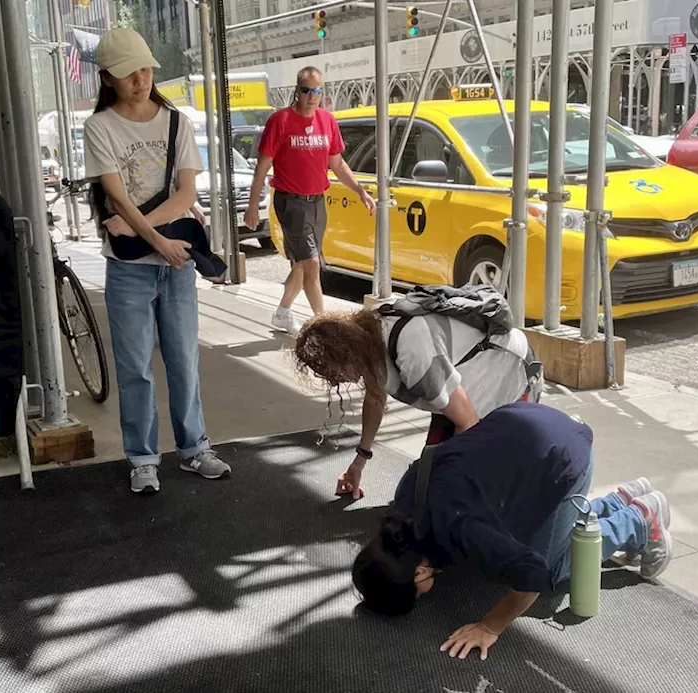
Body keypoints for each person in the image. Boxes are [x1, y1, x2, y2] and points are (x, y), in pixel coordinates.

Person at [351, 402, 673, 660]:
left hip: (562, 457)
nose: (424, 595)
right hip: (531, 423)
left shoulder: (459, 528)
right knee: (528, 537)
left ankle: (638, 522)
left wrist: (489, 627)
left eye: (417, 593)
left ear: (419, 572)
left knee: (549, 569)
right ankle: (617, 501)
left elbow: (530, 574)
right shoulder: (403, 508)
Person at [85, 27, 230, 494]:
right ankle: (143, 458)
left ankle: (194, 448)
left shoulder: (175, 121)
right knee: (134, 367)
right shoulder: (100, 126)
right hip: (130, 265)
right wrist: (154, 241)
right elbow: (116, 197)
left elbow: (186, 192)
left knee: (185, 359)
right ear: (108, 78)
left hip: (174, 259)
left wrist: (147, 232)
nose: (141, 80)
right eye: (130, 74)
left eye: (146, 70)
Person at [292, 305, 534, 499]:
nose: (337, 381)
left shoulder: (413, 354)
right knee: (424, 484)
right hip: (462, 394)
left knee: (461, 492)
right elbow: (375, 397)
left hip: (509, 378)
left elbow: (468, 422)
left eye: (334, 373)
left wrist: (449, 491)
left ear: (348, 354)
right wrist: (359, 461)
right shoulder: (369, 335)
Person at [246, 67, 375, 334]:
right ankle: (326, 326)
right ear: (297, 90)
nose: (312, 96)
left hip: (317, 201)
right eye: (307, 90)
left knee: (304, 265)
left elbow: (338, 164)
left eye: (317, 91)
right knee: (312, 263)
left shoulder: (327, 121)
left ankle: (282, 313)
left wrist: (361, 191)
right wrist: (252, 206)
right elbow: (262, 166)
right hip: (290, 202)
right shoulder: (280, 121)